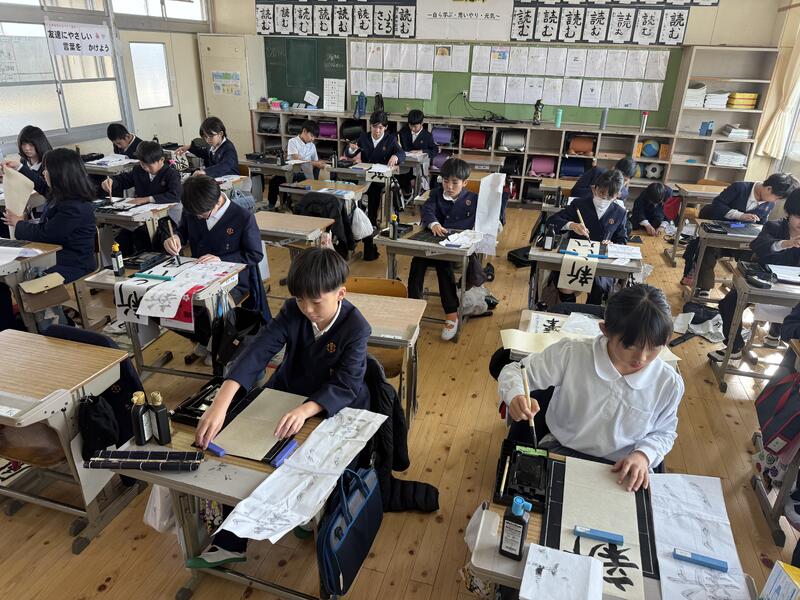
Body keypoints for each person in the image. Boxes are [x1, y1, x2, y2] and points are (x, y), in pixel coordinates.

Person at [187, 247, 371, 567]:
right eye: (300, 300)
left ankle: (308, 515)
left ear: (341, 294)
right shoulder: (292, 311)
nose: (307, 309)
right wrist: (221, 402)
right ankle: (231, 542)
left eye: (316, 302)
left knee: (313, 467)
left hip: (334, 405)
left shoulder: (356, 327)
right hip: (287, 393)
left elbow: (346, 384)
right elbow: (257, 352)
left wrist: (306, 410)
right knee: (239, 448)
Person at [497, 284, 682, 492]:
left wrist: (644, 455)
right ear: (605, 330)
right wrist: (515, 395)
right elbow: (515, 371)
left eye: (654, 348)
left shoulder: (668, 383)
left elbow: (664, 431)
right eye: (630, 347)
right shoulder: (572, 354)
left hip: (624, 466)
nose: (642, 358)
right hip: (562, 449)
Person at [163, 175, 268, 352]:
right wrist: (175, 238)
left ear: (218, 201)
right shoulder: (194, 209)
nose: (198, 217)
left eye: (203, 215)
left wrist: (222, 259)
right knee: (168, 302)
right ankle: (208, 339)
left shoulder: (242, 217)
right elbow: (182, 231)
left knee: (208, 308)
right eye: (195, 214)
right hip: (196, 276)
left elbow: (255, 254)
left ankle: (216, 342)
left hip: (233, 282)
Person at [1, 148, 97, 330]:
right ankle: (18, 326)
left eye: (47, 169)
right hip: (53, 254)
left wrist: (19, 223)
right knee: (14, 276)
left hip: (73, 261)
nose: (44, 172)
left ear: (60, 174)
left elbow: (46, 234)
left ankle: (55, 326)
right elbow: (41, 185)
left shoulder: (75, 206)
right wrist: (19, 167)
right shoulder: (63, 194)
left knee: (30, 277)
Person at [709, 189, 800, 362]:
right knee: (728, 304)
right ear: (788, 212)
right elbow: (758, 245)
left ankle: (776, 333)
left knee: (793, 310)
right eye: (798, 216)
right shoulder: (774, 226)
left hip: (793, 290)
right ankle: (734, 346)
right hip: (763, 282)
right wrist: (785, 244)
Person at [684, 173, 799, 293]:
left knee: (753, 256)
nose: (776, 201)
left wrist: (759, 228)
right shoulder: (739, 188)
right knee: (708, 251)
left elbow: (762, 223)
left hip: (742, 240)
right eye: (776, 198)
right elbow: (717, 204)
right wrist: (740, 215)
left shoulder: (769, 203)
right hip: (720, 236)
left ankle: (739, 290)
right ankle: (704, 288)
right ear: (768, 188)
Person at [408, 158, 480, 341]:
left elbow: (492, 215)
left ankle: (451, 313)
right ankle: (413, 308)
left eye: (455, 182)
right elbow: (427, 210)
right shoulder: (436, 194)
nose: (449, 186)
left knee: (443, 266)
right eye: (445, 181)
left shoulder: (473, 199)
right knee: (417, 262)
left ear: (465, 183)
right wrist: (433, 223)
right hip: (432, 243)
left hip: (455, 250)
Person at [547, 169, 628, 304]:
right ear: (594, 188)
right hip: (576, 257)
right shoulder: (579, 204)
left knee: (598, 287)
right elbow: (552, 221)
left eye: (609, 197)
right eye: (601, 194)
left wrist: (613, 245)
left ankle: (590, 313)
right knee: (566, 286)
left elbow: (622, 239)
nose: (603, 199)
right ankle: (568, 310)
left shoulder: (620, 213)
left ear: (617, 195)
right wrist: (571, 225)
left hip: (602, 262)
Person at [101, 141, 181, 255]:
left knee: (154, 239)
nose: (146, 168)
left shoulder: (171, 174)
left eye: (149, 165)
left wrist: (147, 199)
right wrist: (111, 181)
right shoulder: (138, 171)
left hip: (164, 218)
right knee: (121, 240)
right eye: (143, 164)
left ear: (161, 160)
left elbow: (174, 195)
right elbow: (123, 180)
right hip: (140, 216)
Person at [357, 111, 405, 261]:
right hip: (363, 177)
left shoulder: (390, 140)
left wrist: (395, 156)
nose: (377, 131)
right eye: (374, 127)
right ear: (370, 126)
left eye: (381, 128)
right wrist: (351, 152)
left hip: (379, 180)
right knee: (353, 197)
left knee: (372, 198)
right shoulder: (363, 137)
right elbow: (351, 152)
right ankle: (358, 227)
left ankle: (369, 234)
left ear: (385, 127)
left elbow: (401, 153)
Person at [267, 119, 327, 210]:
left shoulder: (312, 146)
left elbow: (315, 161)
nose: (312, 139)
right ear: (304, 131)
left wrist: (321, 163)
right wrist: (314, 163)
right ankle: (271, 205)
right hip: (291, 172)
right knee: (274, 182)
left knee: (306, 179)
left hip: (305, 173)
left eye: (314, 137)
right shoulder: (293, 141)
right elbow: (297, 159)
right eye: (311, 136)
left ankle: (294, 204)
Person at [397, 109, 438, 200]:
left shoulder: (427, 136)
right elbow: (395, 142)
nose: (412, 129)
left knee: (415, 178)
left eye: (415, 126)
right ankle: (405, 195)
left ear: (422, 123)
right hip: (405, 164)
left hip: (419, 167)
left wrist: (422, 151)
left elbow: (435, 150)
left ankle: (412, 195)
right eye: (411, 126)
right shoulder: (404, 132)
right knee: (399, 175)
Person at [1, 125, 53, 196]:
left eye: (31, 144)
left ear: (40, 143)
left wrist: (20, 167)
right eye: (23, 144)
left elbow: (45, 188)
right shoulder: (24, 161)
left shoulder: (50, 163)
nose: (27, 148)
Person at [570, 156, 636, 202]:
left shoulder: (623, 193)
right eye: (618, 176)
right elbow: (574, 192)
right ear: (613, 168)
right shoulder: (596, 172)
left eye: (625, 180)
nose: (620, 182)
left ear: (629, 181)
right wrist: (596, 192)